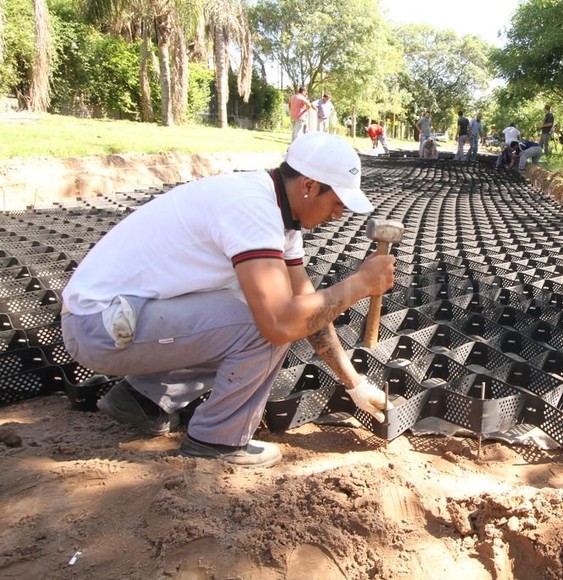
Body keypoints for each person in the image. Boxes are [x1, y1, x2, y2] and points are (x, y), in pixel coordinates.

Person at [60, 132, 397, 468]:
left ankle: (142, 400)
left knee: (266, 304)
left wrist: (354, 384)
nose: (338, 213)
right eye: (337, 201)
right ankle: (218, 439)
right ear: (309, 186)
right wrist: (360, 284)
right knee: (262, 322)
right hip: (99, 327)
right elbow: (281, 323)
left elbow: (311, 309)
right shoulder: (252, 209)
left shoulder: (281, 218)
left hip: (120, 318)